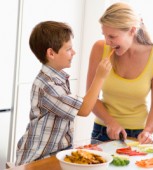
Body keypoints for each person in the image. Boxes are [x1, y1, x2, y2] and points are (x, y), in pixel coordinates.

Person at [16, 21, 112, 165]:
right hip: (37, 159)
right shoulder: (48, 85)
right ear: (51, 53)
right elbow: (85, 109)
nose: (73, 52)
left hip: (54, 156)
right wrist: (100, 77)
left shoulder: (58, 79)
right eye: (68, 49)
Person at [86, 2, 153, 144]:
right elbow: (90, 97)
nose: (107, 42)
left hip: (138, 135)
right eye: (105, 35)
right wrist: (110, 122)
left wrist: (148, 131)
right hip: (103, 130)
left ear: (132, 30)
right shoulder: (100, 49)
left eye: (112, 36)